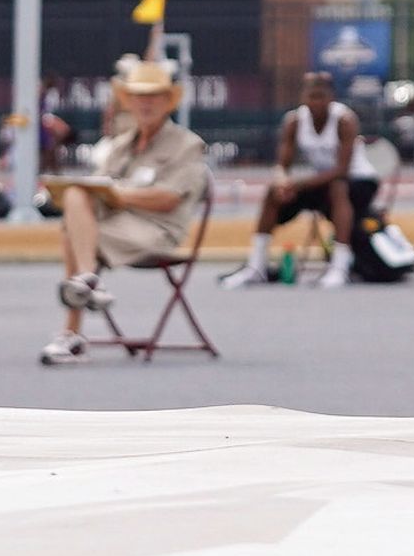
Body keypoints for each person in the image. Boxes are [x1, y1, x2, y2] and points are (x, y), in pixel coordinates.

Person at [40, 59, 206, 365]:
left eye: (153, 96)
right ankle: (89, 280)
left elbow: (168, 199)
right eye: (139, 96)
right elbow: (95, 190)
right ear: (128, 101)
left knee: (75, 234)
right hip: (114, 224)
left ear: (168, 101)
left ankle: (73, 328)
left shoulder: (187, 145)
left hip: (157, 230)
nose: (146, 103)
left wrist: (117, 196)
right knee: (76, 196)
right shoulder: (119, 146)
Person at [222, 72, 378, 291]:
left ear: (331, 98)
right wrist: (282, 183)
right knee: (273, 192)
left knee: (338, 187)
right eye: (311, 96)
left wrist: (298, 184)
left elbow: (341, 170)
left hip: (359, 182)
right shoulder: (294, 121)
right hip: (320, 183)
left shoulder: (344, 120)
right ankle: (256, 266)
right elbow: (282, 165)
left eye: (320, 96)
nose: (315, 102)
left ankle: (339, 268)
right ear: (303, 97)